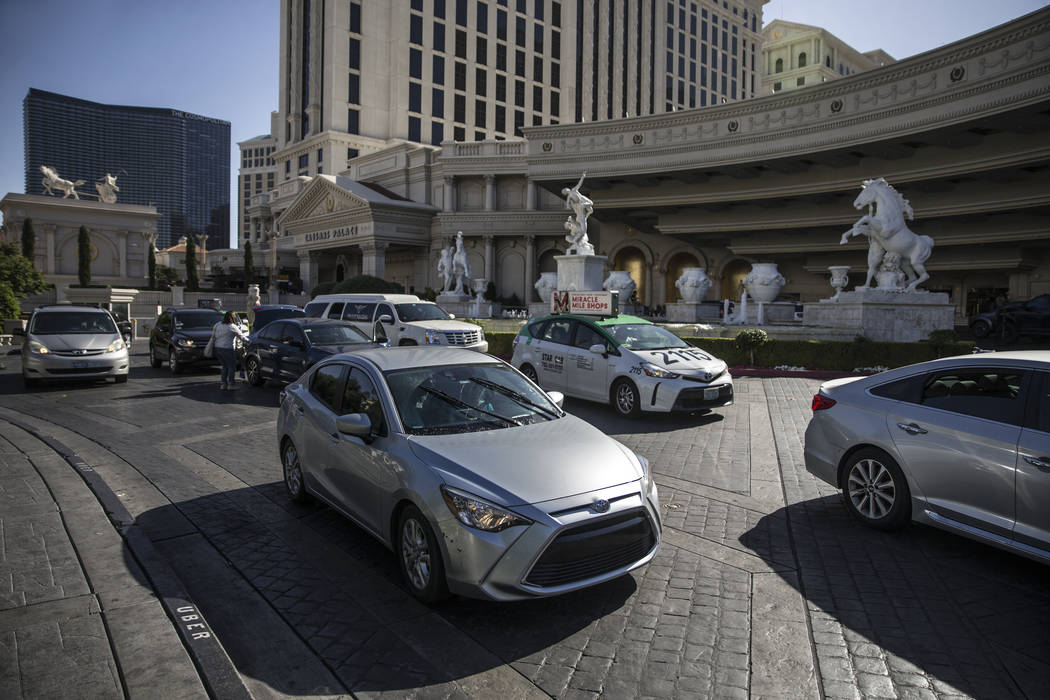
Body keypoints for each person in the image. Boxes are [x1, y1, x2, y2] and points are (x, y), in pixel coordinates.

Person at [211, 311, 248, 390]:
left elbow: (213, 336)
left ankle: (223, 384)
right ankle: (231, 384)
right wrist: (250, 341)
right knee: (232, 366)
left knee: (224, 366)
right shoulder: (232, 326)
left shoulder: (218, 324)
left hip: (217, 348)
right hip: (227, 348)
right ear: (233, 317)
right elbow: (242, 337)